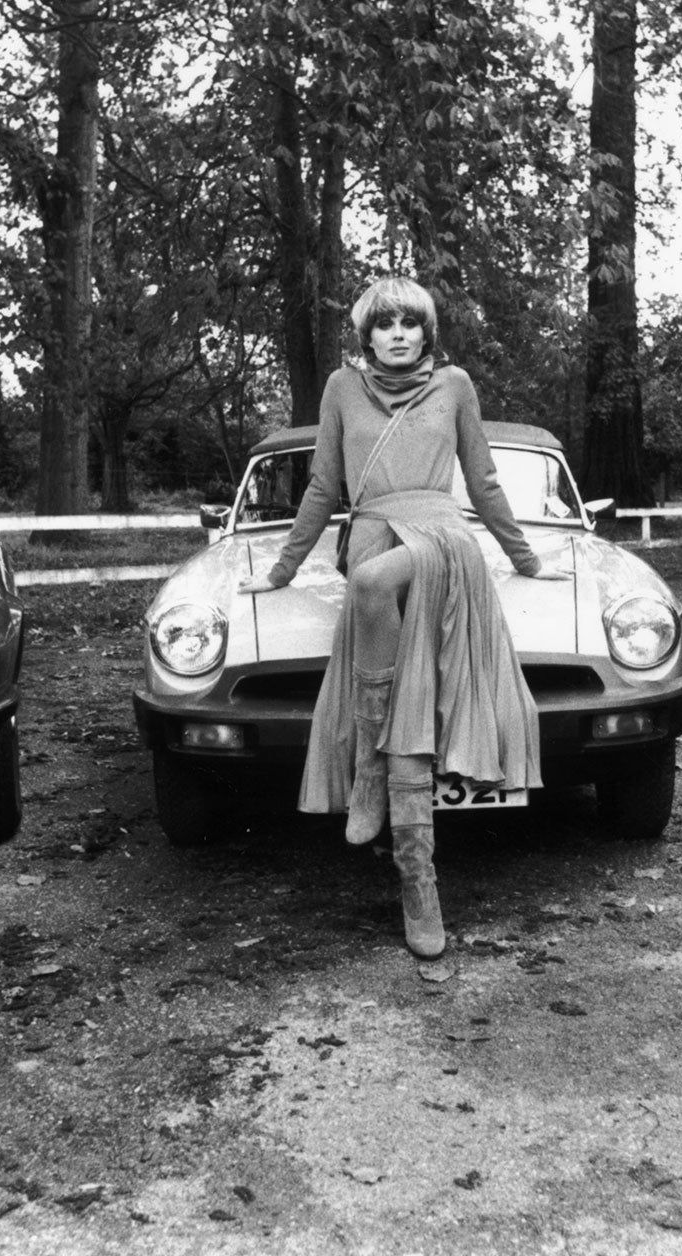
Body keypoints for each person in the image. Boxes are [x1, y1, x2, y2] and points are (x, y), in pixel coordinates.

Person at [238, 278, 565, 958]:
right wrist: (280, 570)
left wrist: (526, 559)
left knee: (367, 583)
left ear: (425, 332)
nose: (396, 333)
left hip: (441, 541)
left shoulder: (455, 387)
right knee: (392, 661)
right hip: (374, 529)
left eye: (408, 322)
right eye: (383, 323)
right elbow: (325, 486)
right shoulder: (340, 389)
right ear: (366, 335)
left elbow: (483, 481)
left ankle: (376, 792)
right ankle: (416, 883)